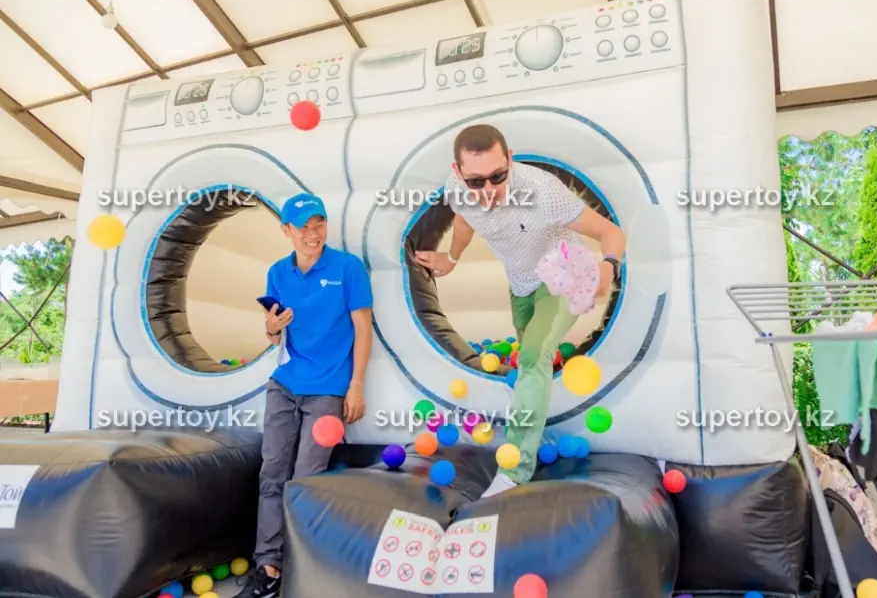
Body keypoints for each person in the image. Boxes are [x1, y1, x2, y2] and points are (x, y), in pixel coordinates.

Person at [414, 124, 625, 498]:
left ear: (510, 160)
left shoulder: (543, 192)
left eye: (498, 176)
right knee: (530, 363)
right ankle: (537, 429)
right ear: (458, 173)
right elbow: (463, 221)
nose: (488, 189)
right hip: (521, 285)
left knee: (531, 357)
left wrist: (608, 266)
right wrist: (452, 258)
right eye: (476, 181)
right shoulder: (456, 191)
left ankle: (515, 469)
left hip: (562, 276)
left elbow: (612, 233)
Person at [236, 193, 373, 598]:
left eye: (319, 224)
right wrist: (272, 326)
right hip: (284, 384)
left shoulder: (348, 268)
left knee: (306, 479)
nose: (313, 233)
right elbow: (273, 334)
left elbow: (363, 328)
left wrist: (356, 384)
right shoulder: (277, 273)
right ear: (286, 231)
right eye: (303, 226)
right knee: (271, 474)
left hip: (327, 389)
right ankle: (268, 568)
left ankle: (300, 567)